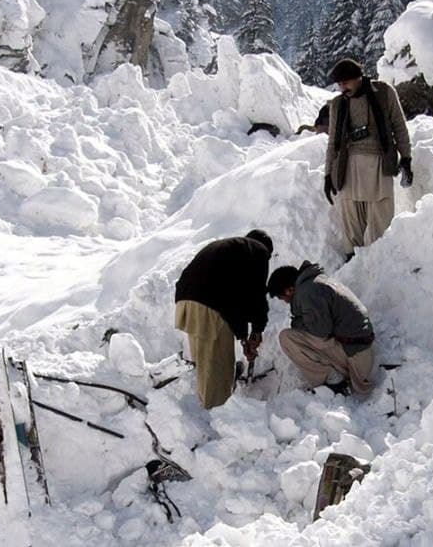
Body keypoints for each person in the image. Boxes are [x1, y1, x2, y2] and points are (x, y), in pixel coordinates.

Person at [324, 59, 413, 259]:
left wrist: (406, 158)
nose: (342, 88)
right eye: (339, 84)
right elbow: (333, 143)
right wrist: (328, 174)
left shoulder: (384, 93)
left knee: (381, 223)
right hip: (348, 167)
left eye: (345, 82)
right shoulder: (338, 104)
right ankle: (352, 263)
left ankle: (380, 263)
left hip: (379, 165)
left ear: (358, 78)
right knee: (351, 222)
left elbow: (399, 127)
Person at [174, 230, 273, 409]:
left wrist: (244, 337)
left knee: (205, 363)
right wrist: (256, 331)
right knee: (218, 367)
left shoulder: (230, 250)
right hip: (209, 305)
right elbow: (255, 296)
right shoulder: (258, 251)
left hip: (186, 301)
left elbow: (236, 299)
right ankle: (217, 415)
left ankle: (205, 410)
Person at [266, 262, 375, 396]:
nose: (286, 302)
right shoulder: (315, 283)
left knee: (287, 338)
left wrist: (298, 322)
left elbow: (320, 333)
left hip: (356, 360)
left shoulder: (308, 292)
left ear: (289, 290)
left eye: (283, 298)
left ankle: (333, 380)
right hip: (359, 351)